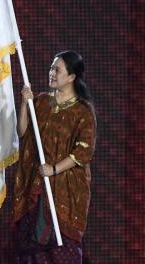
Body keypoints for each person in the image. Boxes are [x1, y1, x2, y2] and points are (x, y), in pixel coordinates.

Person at [12, 50, 96, 263]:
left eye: (57, 70)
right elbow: (22, 132)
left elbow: (83, 151)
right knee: (34, 245)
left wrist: (54, 169)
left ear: (71, 76)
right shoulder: (40, 101)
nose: (51, 73)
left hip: (66, 189)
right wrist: (25, 104)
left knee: (62, 247)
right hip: (38, 183)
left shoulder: (83, 111)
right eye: (51, 68)